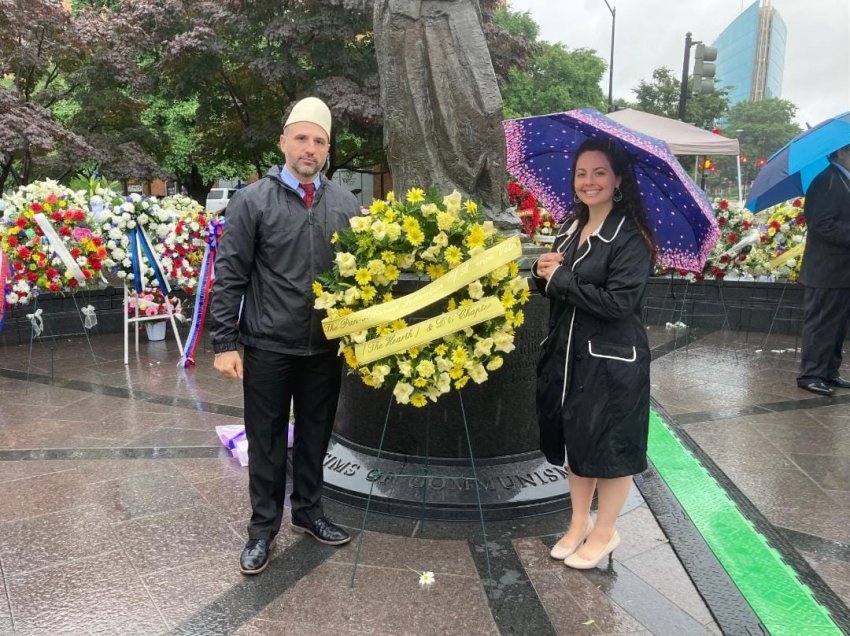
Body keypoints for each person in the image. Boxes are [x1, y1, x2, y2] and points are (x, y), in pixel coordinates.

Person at [209, 97, 360, 575]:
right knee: (268, 440)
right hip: (268, 344)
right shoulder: (252, 200)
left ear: (327, 148)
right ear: (284, 142)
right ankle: (262, 530)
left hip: (325, 346)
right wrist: (223, 342)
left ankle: (310, 512)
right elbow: (230, 273)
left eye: (318, 141)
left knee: (317, 435)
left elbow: (361, 279)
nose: (309, 148)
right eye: (301, 138)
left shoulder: (346, 203)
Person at [532, 138, 655, 570]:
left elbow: (618, 304)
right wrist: (539, 271)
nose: (589, 181)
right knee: (576, 442)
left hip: (611, 364)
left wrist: (561, 279)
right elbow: (554, 285)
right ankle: (579, 522)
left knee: (610, 448)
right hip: (566, 358)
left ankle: (606, 530)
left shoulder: (631, 238)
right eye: (582, 173)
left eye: (599, 172)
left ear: (618, 179)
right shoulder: (570, 226)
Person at [796, 144, 850, 396]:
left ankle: (829, 372)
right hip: (826, 269)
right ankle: (811, 375)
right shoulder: (826, 181)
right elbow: (821, 224)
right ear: (841, 153)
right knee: (821, 324)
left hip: (841, 270)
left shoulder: (842, 180)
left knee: (837, 326)